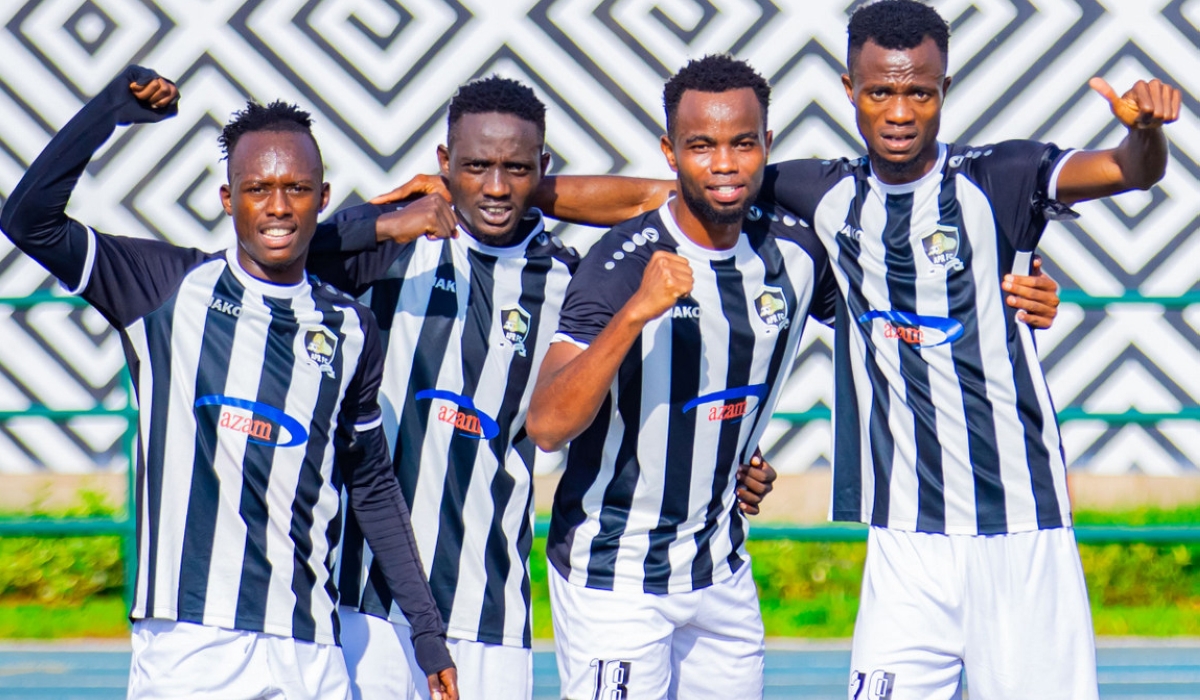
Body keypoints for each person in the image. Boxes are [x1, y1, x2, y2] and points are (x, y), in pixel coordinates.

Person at [515, 1, 1180, 697]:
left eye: (919, 91)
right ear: (849, 92)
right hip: (903, 542)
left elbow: (1128, 171)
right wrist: (495, 195)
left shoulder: (999, 178)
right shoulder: (816, 193)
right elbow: (663, 195)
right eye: (881, 92)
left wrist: (1144, 135)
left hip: (1020, 527)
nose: (899, 111)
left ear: (944, 90)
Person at [305, 75, 782, 700]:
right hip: (365, 593)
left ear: (543, 168)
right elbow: (274, 246)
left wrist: (733, 460)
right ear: (444, 164)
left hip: (493, 606)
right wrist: (378, 217)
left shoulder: (570, 277)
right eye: (475, 167)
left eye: (516, 168)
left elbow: (672, 199)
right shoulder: (394, 250)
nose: (497, 187)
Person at [0, 66, 458, 700]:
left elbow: (372, 485)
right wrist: (110, 110)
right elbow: (28, 221)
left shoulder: (349, 328)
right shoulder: (162, 290)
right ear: (227, 198)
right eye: (257, 188)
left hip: (308, 645)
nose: (276, 206)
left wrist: (428, 635)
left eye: (296, 188)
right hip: (191, 645)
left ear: (322, 199)